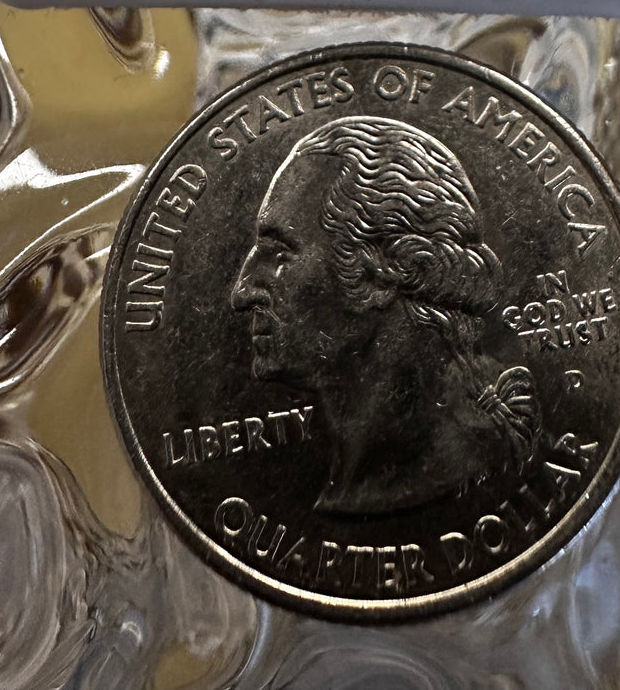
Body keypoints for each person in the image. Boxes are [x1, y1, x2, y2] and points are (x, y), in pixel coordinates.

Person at [230, 115, 541, 516]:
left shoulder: (457, 471)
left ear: (379, 273)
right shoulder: (361, 481)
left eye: (279, 254)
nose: (242, 293)